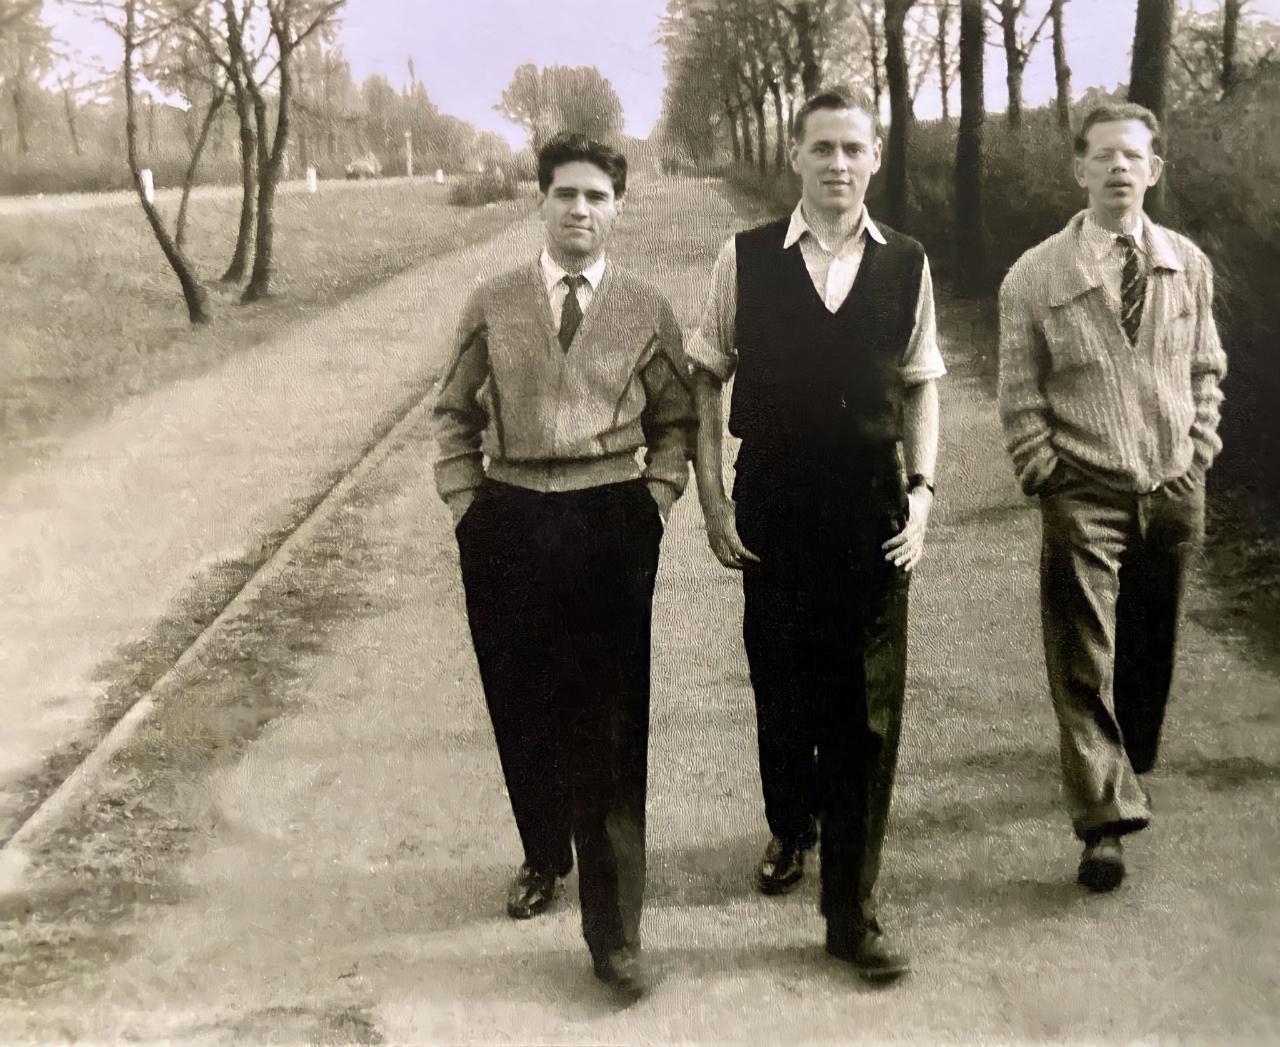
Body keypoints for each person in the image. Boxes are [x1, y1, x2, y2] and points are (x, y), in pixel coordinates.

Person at [688, 88, 945, 983]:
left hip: (873, 512)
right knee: (785, 689)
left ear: (875, 159)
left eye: (854, 148)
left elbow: (921, 387)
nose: (838, 163)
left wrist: (923, 495)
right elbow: (705, 378)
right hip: (776, 511)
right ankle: (790, 825)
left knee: (867, 714)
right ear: (794, 157)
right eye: (822, 147)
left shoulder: (907, 263)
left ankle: (853, 910)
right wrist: (713, 502)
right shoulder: (746, 257)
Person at [432, 132, 695, 997]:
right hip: (507, 519)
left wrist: (654, 501)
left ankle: (615, 933)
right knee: (522, 697)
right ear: (538, 202)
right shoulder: (494, 301)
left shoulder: (647, 307)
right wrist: (469, 505)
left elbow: (676, 421)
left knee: (611, 720)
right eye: (564, 195)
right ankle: (544, 851)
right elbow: (452, 412)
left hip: (607, 520)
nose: (580, 211)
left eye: (597, 197)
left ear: (618, 206)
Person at [997, 103, 1227, 892]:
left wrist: (1197, 451)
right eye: (1104, 156)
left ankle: (1130, 762)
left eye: (1135, 157)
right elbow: (1019, 391)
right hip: (1084, 489)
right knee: (1083, 658)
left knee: (1150, 647)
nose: (1120, 169)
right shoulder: (1036, 275)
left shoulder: (1186, 264)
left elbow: (1206, 368)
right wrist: (1046, 472)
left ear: (1155, 170)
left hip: (1171, 486)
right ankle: (1102, 824)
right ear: (1080, 169)